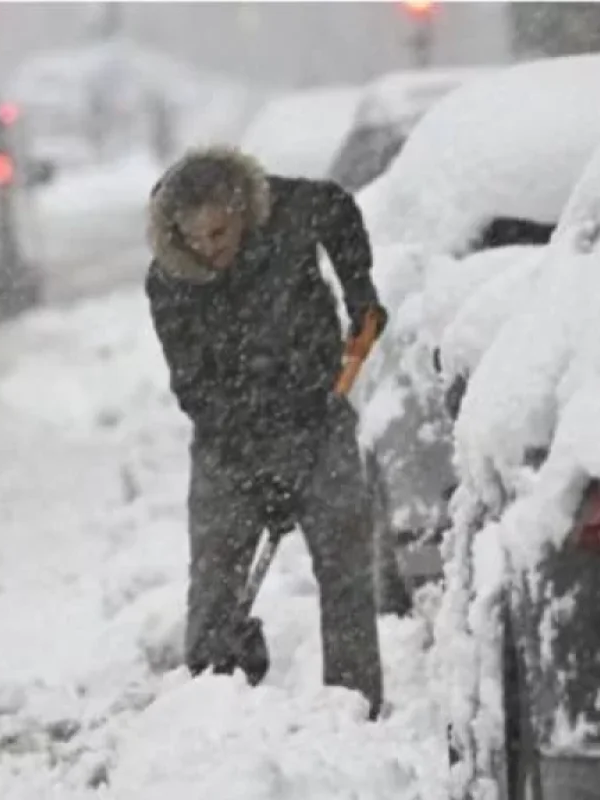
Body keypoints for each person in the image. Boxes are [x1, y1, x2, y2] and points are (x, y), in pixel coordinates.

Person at [145, 144, 388, 720]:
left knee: (345, 565)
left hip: (319, 415)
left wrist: (360, 291)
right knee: (214, 576)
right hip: (228, 440)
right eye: (197, 239)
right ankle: (212, 702)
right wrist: (263, 469)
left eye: (221, 233)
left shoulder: (286, 209)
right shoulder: (171, 282)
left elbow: (338, 208)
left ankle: (353, 705)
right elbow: (194, 387)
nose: (212, 249)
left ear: (241, 212)